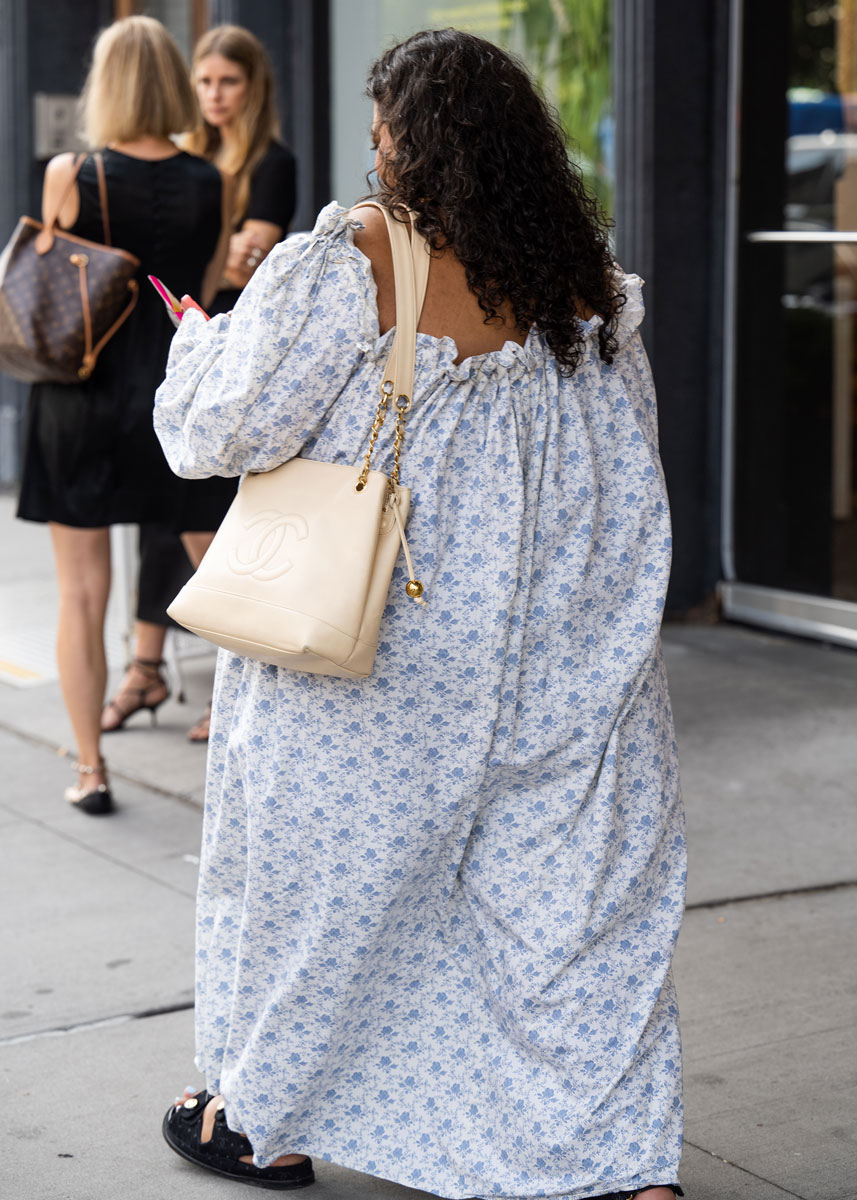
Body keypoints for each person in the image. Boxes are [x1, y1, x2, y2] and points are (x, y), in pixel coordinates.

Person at [155, 28, 686, 1200]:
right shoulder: (586, 282)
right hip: (562, 635)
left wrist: (198, 349)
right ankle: (617, 1163)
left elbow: (218, 433)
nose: (376, 144)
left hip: (383, 644)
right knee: (575, 910)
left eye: (384, 123)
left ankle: (265, 1122)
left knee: (320, 888)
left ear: (409, 141)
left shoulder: (353, 257)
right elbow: (626, 466)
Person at [16, 15, 231, 814]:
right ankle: (253, 738)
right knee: (224, 577)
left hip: (79, 397)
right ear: (174, 83)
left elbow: (51, 287)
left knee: (81, 594)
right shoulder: (211, 180)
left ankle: (89, 769)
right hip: (172, 398)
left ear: (105, 86)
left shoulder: (74, 173)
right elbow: (197, 295)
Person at [101, 23, 296, 744]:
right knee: (165, 508)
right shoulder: (184, 162)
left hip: (232, 345)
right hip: (176, 342)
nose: (213, 95)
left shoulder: (271, 163)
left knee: (204, 516)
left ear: (254, 87)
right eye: (203, 82)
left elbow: (253, 262)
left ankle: (227, 678)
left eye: (228, 82)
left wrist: (222, 256)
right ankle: (145, 666)